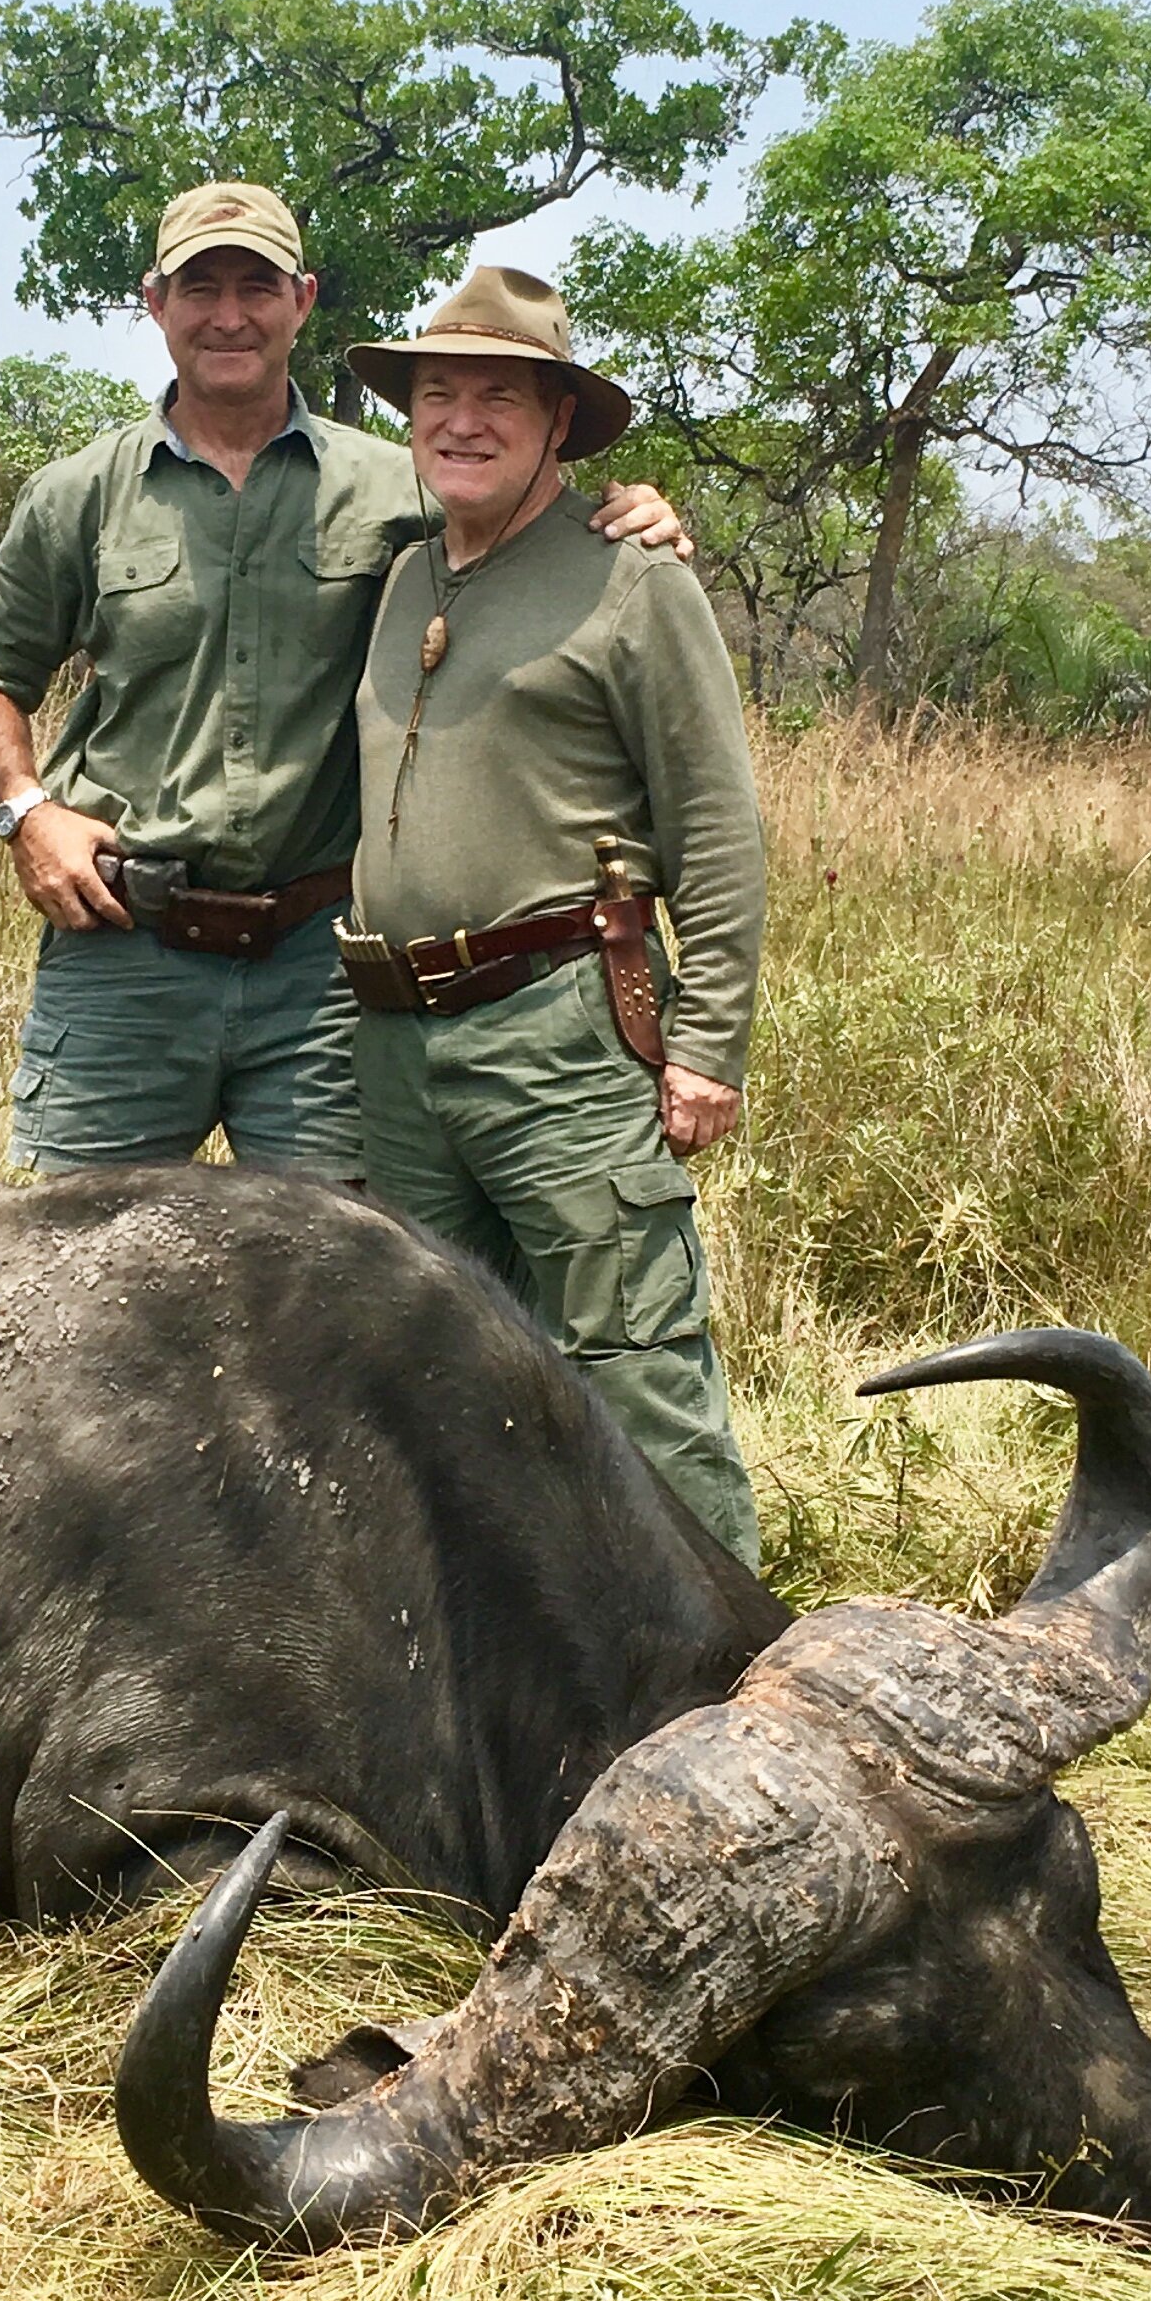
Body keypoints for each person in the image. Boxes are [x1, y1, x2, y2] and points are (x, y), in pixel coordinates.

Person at [0, 184, 686, 1178]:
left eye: (256, 285)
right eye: (198, 287)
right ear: (153, 302)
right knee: (73, 1278)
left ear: (303, 299)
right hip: (123, 950)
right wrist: (26, 813)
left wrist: (628, 510)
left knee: (335, 1282)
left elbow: (516, 514)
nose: (228, 314)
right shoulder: (77, 493)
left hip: (321, 970)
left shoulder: (398, 488)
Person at [337, 264, 766, 1565]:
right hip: (395, 1046)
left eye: (496, 397)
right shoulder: (405, 574)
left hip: (560, 1036)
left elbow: (714, 822)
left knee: (632, 1370)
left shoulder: (634, 582)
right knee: (431, 1374)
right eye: (436, 392)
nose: (460, 418)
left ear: (557, 425)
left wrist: (706, 1042)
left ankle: (726, 1686)